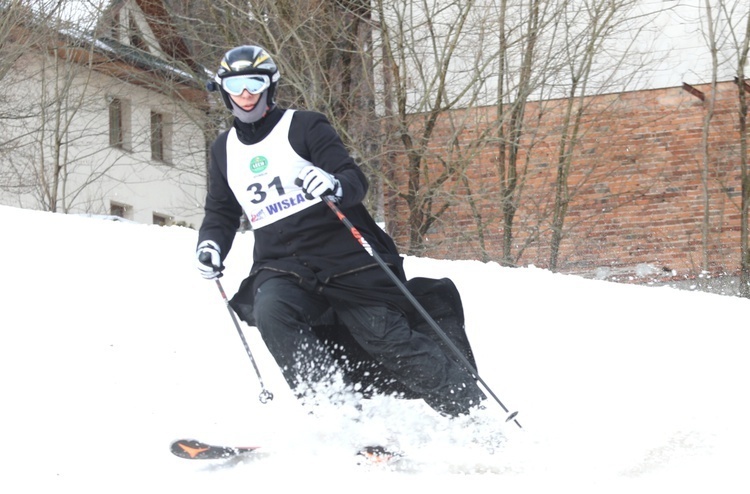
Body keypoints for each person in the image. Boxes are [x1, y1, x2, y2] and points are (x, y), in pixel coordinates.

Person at [195, 45, 485, 417]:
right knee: (272, 310)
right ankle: (337, 414)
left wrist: (332, 184)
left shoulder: (303, 126)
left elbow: (353, 180)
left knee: (384, 337)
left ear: (270, 87)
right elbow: (221, 211)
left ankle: (470, 412)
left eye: (255, 83)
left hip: (345, 259)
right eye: (236, 85)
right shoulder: (223, 150)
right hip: (282, 264)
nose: (246, 94)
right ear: (223, 89)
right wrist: (210, 245)